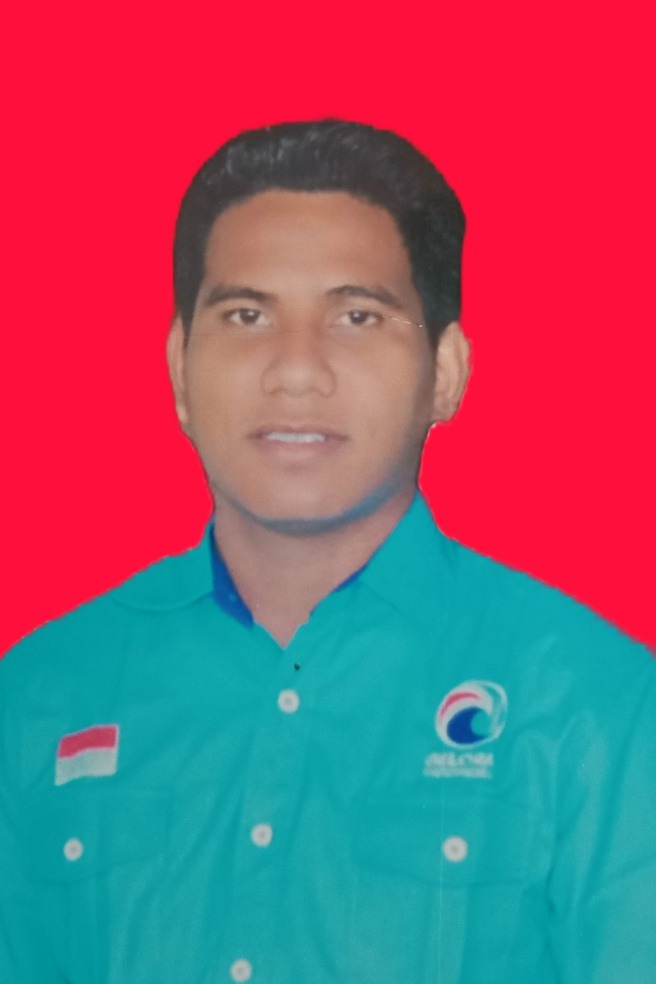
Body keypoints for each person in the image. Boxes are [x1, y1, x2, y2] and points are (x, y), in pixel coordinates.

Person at [1, 120, 655, 984]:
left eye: (356, 316)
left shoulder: (594, 702)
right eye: (246, 315)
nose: (297, 369)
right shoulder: (39, 693)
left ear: (445, 372)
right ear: (180, 367)